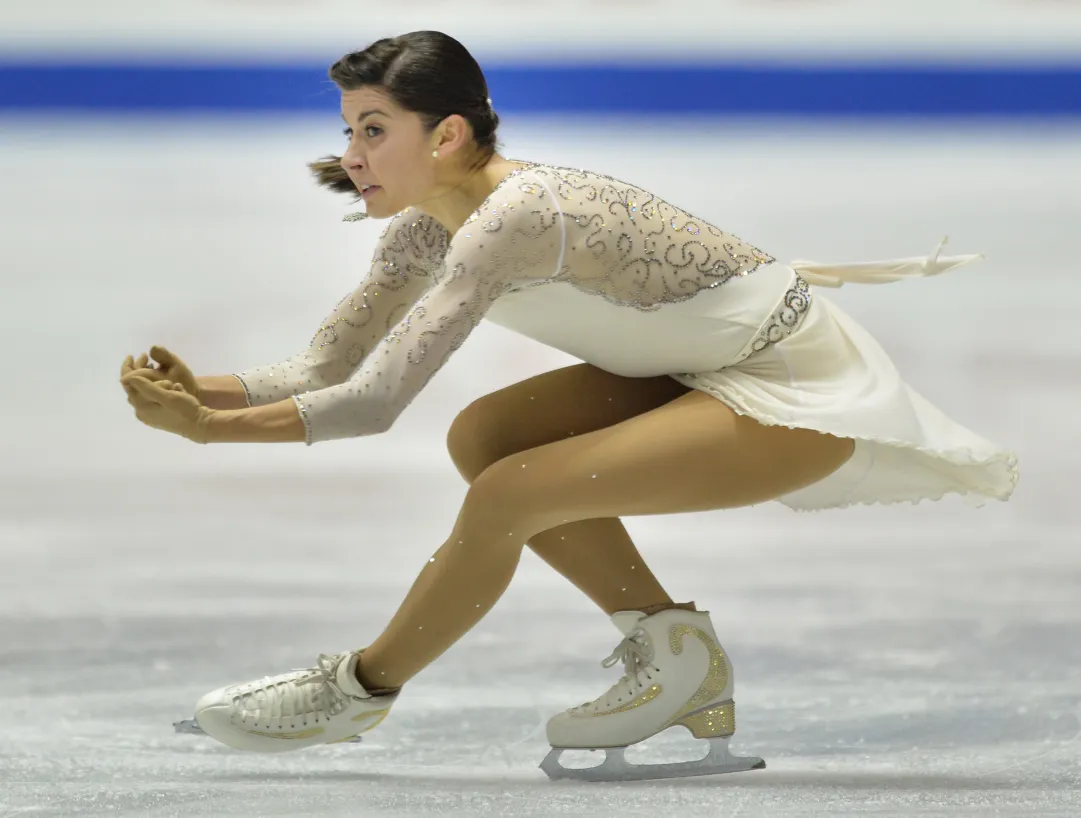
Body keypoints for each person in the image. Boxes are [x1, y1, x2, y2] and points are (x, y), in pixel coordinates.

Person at [118, 30, 1018, 782]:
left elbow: (377, 402)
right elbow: (328, 363)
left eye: (373, 128)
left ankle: (360, 689)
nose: (350, 155)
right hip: (692, 371)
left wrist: (207, 431)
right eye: (349, 127)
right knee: (488, 438)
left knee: (509, 490)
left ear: (447, 135)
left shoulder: (517, 216)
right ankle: (678, 659)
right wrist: (198, 391)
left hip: (794, 389)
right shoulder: (422, 229)